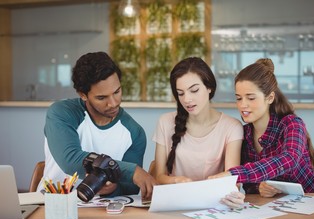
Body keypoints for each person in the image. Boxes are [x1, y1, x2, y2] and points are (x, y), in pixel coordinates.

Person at [210, 58, 314, 197]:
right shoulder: (244, 133)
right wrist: (260, 187)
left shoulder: (292, 124)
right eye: (239, 98)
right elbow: (249, 186)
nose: (242, 105)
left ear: (270, 98)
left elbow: (289, 159)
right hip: (280, 209)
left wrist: (233, 173)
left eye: (251, 98)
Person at [37, 51, 156, 200]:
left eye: (117, 92)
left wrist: (113, 189)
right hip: (53, 205)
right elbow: (70, 159)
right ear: (83, 94)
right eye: (102, 97)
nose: (113, 103)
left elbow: (130, 188)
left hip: (103, 211)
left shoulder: (134, 132)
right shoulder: (61, 113)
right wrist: (133, 171)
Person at [152, 57, 245, 208]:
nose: (187, 99)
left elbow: (233, 180)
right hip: (175, 205)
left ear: (209, 88)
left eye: (194, 90)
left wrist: (234, 195)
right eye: (180, 93)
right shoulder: (165, 122)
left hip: (214, 206)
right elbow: (159, 176)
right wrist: (176, 180)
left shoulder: (232, 127)